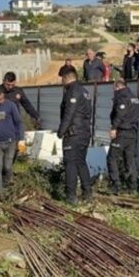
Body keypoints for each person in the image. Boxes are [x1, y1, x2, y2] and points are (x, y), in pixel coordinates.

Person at [57, 67, 93, 205]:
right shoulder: (85, 91)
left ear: (66, 77)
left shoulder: (72, 91)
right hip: (84, 133)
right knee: (81, 163)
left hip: (73, 134)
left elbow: (69, 114)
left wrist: (61, 131)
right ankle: (87, 192)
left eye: (62, 78)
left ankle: (71, 196)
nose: (61, 81)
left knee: (70, 164)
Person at [0, 86, 23, 194]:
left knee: (7, 167)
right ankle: (0, 193)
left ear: (3, 97)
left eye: (0, 100)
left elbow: (18, 122)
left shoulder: (10, 105)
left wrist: (20, 139)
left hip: (10, 142)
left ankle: (10, 187)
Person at [107, 79, 139, 195]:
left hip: (122, 132)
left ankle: (116, 185)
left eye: (114, 89)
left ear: (117, 87)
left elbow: (120, 114)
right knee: (130, 160)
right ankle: (133, 187)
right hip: (133, 133)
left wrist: (114, 128)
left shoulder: (122, 97)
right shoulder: (134, 97)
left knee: (112, 158)